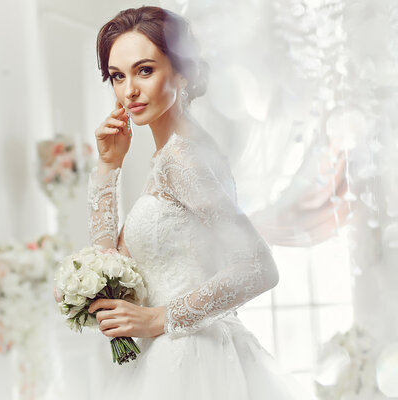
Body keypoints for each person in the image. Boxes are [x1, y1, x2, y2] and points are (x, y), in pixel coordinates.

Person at [86, 6, 313, 399]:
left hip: (190, 361)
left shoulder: (182, 158)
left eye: (145, 70)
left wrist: (158, 319)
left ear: (182, 70)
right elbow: (110, 265)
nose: (129, 91)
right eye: (118, 76)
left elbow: (258, 267)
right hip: (172, 357)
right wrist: (109, 165)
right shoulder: (174, 156)